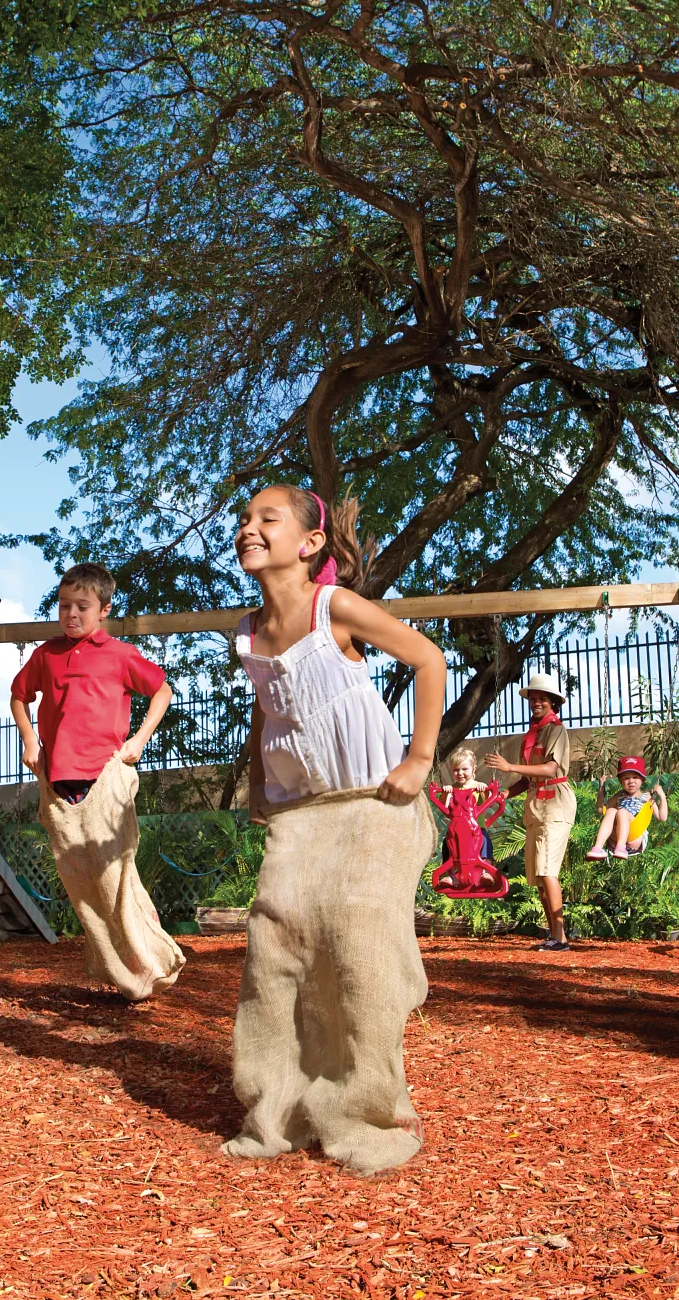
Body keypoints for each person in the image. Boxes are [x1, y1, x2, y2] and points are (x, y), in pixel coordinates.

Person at [226, 484, 447, 1175]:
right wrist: (260, 781)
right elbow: (269, 705)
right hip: (302, 813)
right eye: (243, 519)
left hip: (373, 800)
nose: (248, 527)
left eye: (268, 518)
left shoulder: (335, 608)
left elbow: (429, 659)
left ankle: (366, 1101)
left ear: (310, 543)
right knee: (277, 942)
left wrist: (418, 759)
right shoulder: (247, 630)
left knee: (358, 946)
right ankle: (276, 1104)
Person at [9, 563, 185, 1001]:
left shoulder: (120, 655)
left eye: (82, 607)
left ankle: (151, 962)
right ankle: (121, 965)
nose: (70, 614)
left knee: (115, 875)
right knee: (82, 882)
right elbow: (19, 695)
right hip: (59, 782)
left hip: (106, 777)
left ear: (104, 610)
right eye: (63, 605)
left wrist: (140, 739)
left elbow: (161, 690)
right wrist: (29, 738)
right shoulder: (45, 654)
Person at [484, 671, 575, 951]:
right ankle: (553, 936)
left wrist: (510, 766)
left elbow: (550, 769)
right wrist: (505, 793)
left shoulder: (556, 730)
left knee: (548, 871)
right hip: (536, 807)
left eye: (542, 699)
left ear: (553, 703)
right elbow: (529, 779)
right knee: (538, 875)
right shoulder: (533, 734)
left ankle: (560, 938)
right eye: (533, 699)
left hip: (555, 805)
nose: (536, 703)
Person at [426, 747, 507, 892]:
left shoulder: (478, 787)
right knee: (447, 845)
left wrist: (485, 790)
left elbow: (491, 801)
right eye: (456, 770)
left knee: (485, 841)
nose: (460, 773)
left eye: (465, 769)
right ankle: (451, 875)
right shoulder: (451, 789)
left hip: (477, 829)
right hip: (456, 831)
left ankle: (486, 872)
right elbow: (444, 806)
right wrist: (444, 793)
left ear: (474, 768)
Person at [589, 755, 667, 859]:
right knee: (612, 810)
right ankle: (598, 848)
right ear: (621, 781)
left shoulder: (647, 797)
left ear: (642, 779)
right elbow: (600, 810)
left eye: (635, 777)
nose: (631, 781)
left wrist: (662, 796)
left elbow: (662, 817)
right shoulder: (619, 795)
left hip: (635, 836)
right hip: (614, 840)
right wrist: (601, 787)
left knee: (621, 812)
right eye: (626, 778)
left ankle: (621, 847)